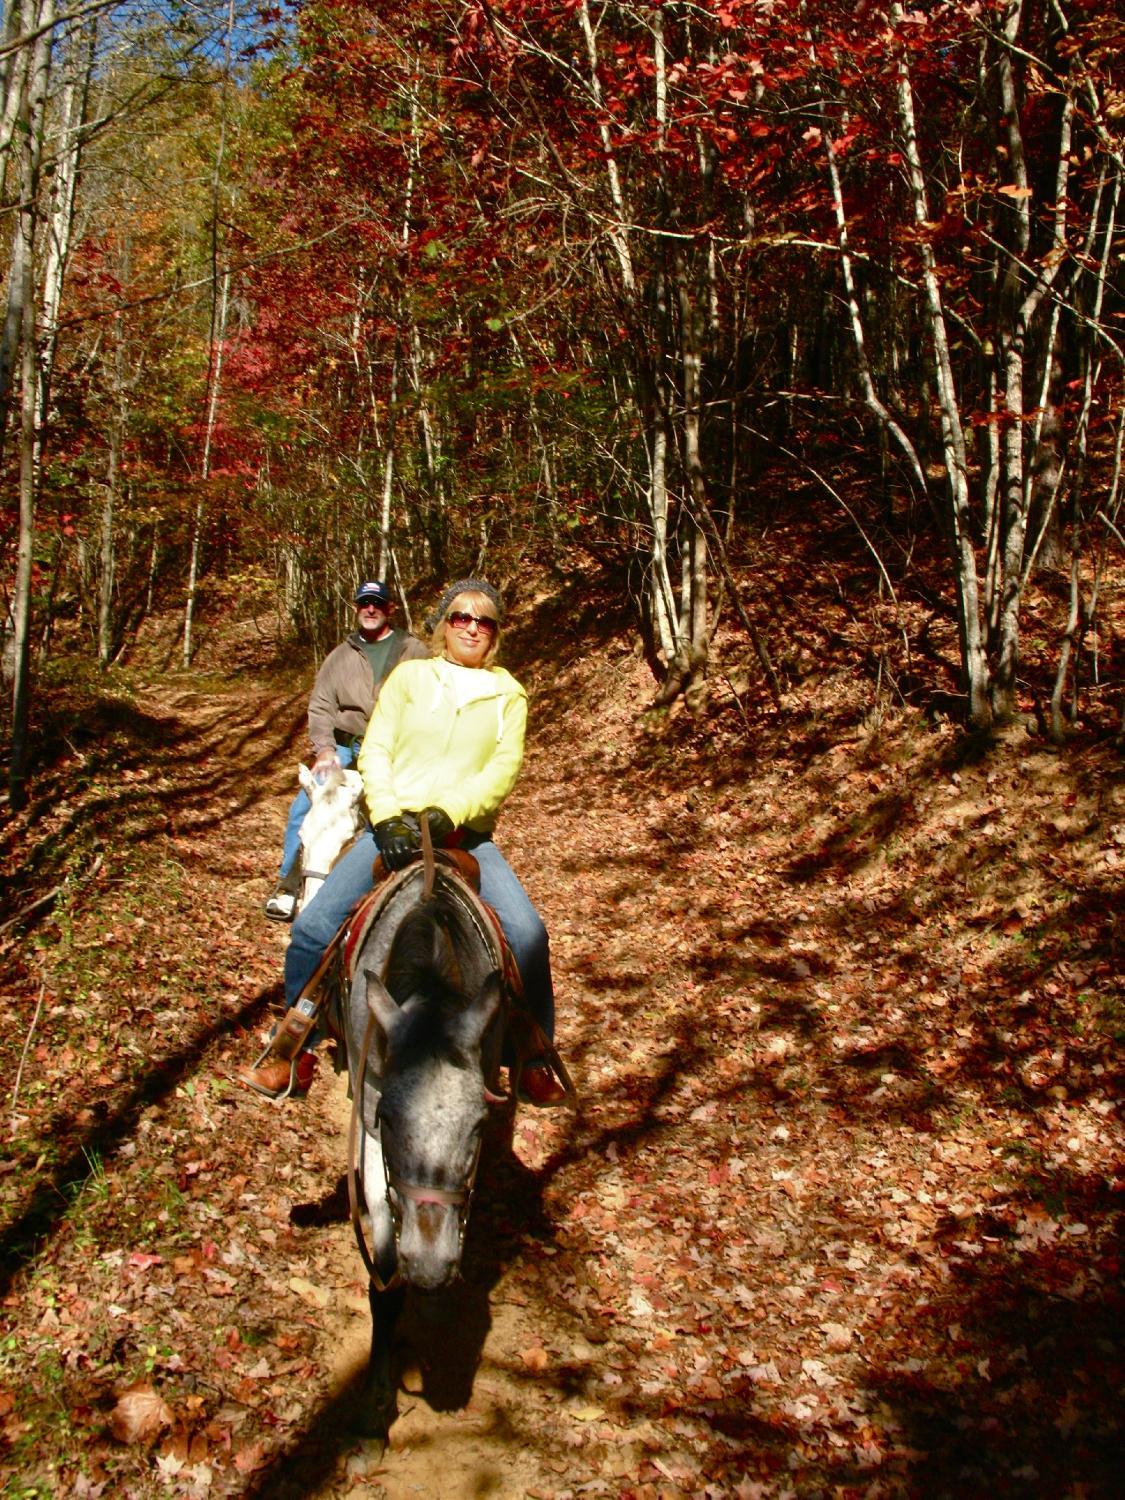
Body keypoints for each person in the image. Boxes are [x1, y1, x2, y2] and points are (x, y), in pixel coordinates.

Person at [241, 577, 566, 1107]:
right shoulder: (410, 677)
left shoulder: (509, 692)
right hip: (392, 829)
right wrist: (389, 817)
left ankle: (532, 1054)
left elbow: (503, 769)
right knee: (313, 928)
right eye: (460, 616)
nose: (471, 627)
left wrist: (450, 813)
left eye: (484, 621)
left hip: (466, 836)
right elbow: (377, 749)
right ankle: (295, 1048)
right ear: (442, 624)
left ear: (496, 634)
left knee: (528, 935)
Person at [264, 580, 427, 920]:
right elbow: (321, 707)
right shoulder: (339, 657)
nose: (370, 609)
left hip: (396, 749)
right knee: (305, 805)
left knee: (404, 807)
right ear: (356, 608)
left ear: (390, 609)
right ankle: (289, 885)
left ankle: (409, 887)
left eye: (377, 604)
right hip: (346, 746)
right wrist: (324, 750)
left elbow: (431, 703)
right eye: (364, 603)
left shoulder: (414, 651)